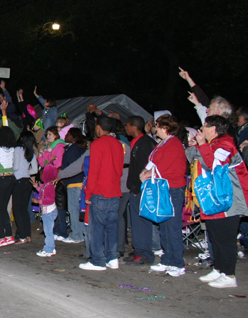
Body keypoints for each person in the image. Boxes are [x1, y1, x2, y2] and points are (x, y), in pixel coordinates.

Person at [186, 115, 248, 288]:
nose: (201, 129)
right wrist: (194, 147)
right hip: (214, 199)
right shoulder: (213, 144)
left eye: (205, 126)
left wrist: (203, 144)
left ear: (213, 128)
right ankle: (219, 269)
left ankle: (229, 275)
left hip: (228, 200)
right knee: (215, 236)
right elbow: (195, 162)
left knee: (225, 239)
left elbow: (213, 164)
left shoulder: (226, 144)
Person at [139, 114, 187, 277]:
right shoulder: (162, 144)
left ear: (165, 128)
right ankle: (167, 259)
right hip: (164, 187)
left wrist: (148, 173)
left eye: (158, 126)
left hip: (173, 188)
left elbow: (165, 167)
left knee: (173, 227)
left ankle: (177, 263)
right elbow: (153, 162)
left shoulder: (174, 143)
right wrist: (144, 172)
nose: (155, 128)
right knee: (164, 225)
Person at [79, 117, 124, 271]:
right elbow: (119, 168)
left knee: (96, 228)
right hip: (114, 191)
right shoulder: (118, 144)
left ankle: (97, 260)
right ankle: (112, 257)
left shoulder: (98, 144)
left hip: (100, 191)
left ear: (98, 128)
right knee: (112, 226)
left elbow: (94, 171)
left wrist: (88, 193)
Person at [124, 116, 156, 265]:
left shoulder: (144, 144)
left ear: (134, 127)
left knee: (141, 222)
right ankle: (138, 250)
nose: (125, 128)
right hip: (136, 187)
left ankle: (144, 253)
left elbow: (144, 168)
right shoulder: (137, 142)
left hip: (141, 188)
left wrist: (137, 187)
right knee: (136, 222)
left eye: (127, 125)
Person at [12, 131, 38, 244]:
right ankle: (27, 235)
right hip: (28, 181)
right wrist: (27, 171)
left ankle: (22, 236)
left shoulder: (18, 150)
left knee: (17, 209)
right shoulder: (31, 152)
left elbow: (16, 167)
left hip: (18, 180)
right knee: (24, 209)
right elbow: (35, 170)